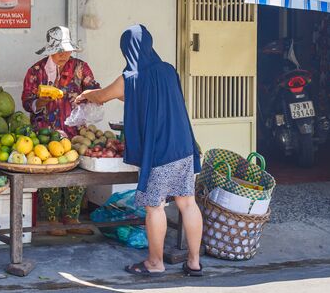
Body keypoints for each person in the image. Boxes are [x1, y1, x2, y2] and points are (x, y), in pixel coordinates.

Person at [76, 24, 203, 277]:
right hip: (184, 146)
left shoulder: (130, 77)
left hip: (160, 152)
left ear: (127, 50)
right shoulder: (168, 70)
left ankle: (155, 263)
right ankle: (194, 262)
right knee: (188, 203)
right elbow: (145, 96)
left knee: (154, 207)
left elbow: (102, 97)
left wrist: (87, 94)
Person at [22, 26, 100, 235]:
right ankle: (52, 219)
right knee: (50, 173)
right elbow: (27, 103)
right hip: (45, 132)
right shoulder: (35, 72)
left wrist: (87, 95)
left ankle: (72, 218)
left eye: (66, 50)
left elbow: (93, 88)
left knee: (77, 174)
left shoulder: (80, 68)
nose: (63, 55)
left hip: (75, 131)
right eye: (58, 51)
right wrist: (41, 101)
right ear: (49, 51)